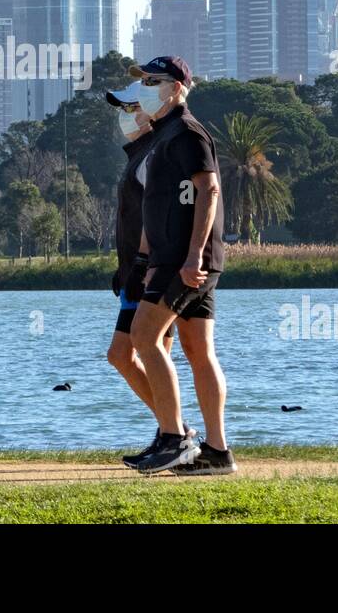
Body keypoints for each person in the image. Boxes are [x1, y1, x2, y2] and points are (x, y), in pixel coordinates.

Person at [128, 55, 236, 476]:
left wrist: (192, 256)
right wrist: (145, 259)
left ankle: (174, 438)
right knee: (197, 350)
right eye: (145, 80)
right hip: (174, 257)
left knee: (143, 336)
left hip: (187, 259)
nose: (146, 87)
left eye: (154, 81)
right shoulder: (165, 134)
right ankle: (217, 451)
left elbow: (209, 190)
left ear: (177, 87)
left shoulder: (187, 132)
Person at [104, 81, 193, 468]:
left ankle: (176, 434)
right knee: (136, 353)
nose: (125, 116)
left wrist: (141, 265)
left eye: (130, 108)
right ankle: (170, 434)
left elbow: (155, 218)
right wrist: (124, 267)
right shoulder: (140, 154)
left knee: (124, 353)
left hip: (153, 269)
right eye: (122, 109)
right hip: (138, 271)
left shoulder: (154, 153)